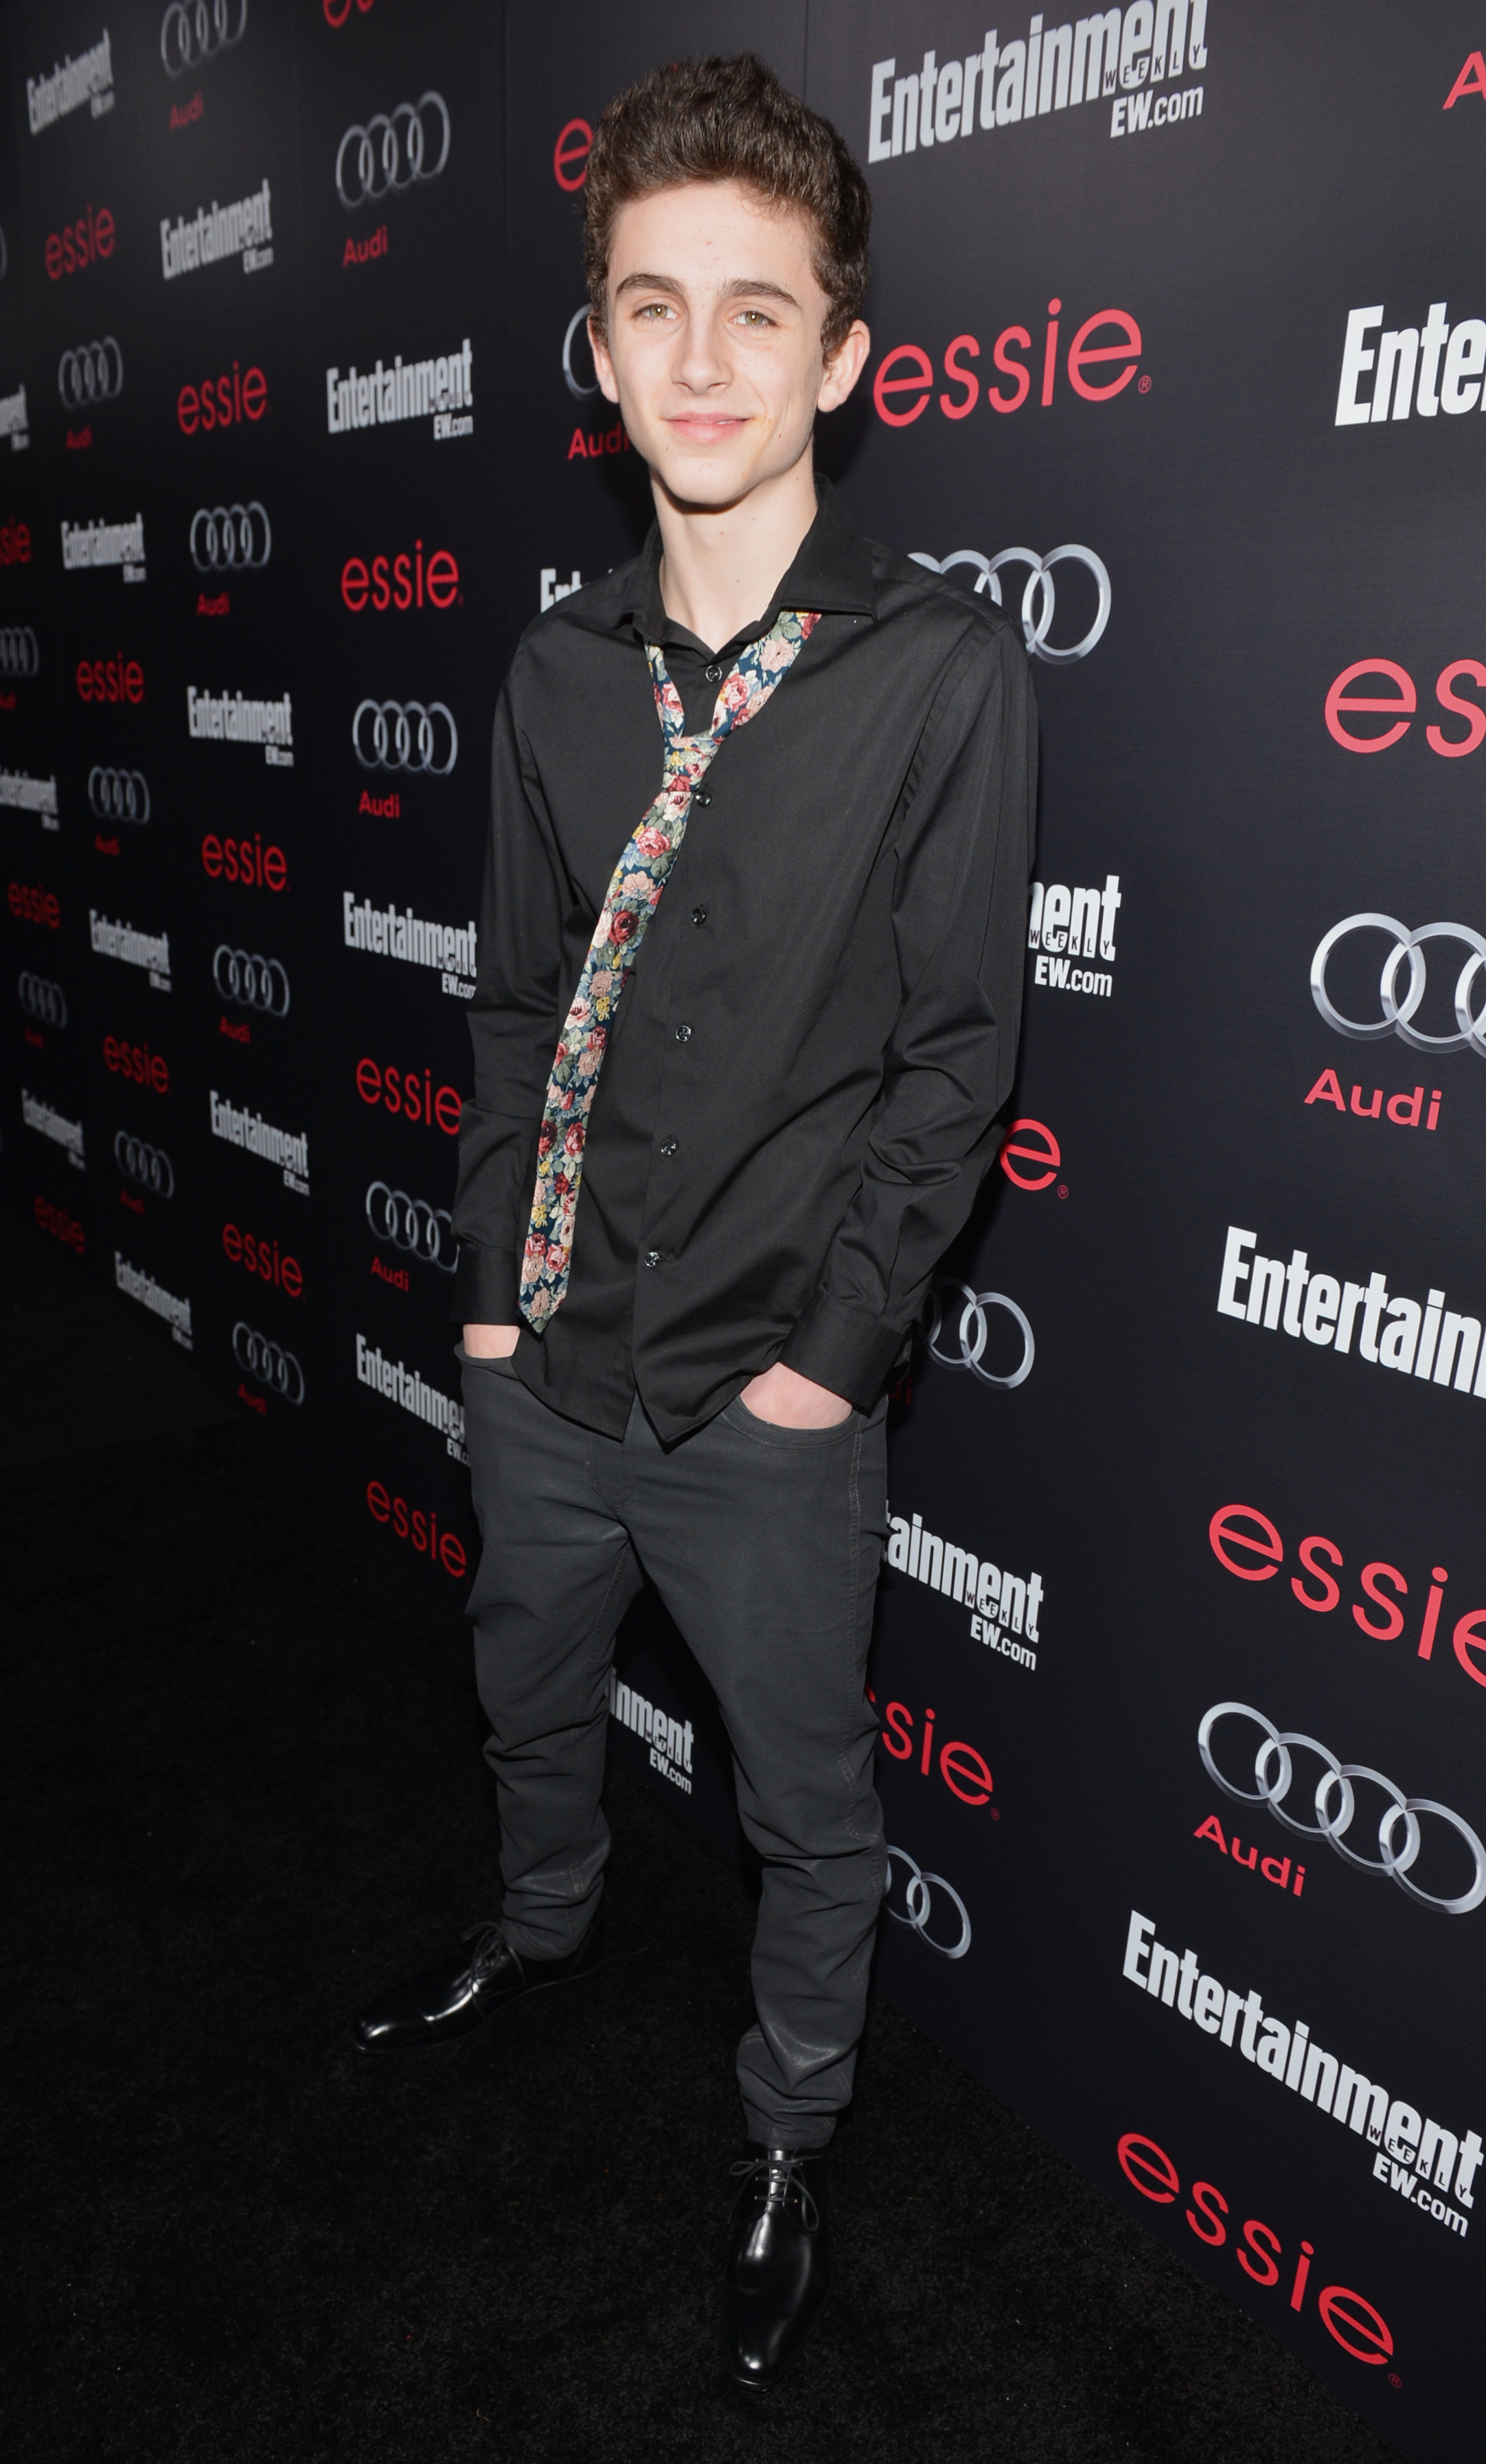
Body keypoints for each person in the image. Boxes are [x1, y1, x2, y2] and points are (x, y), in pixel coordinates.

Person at [354, 52, 1036, 2389]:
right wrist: (480, 1308)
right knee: (522, 1691)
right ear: (602, 344)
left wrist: (823, 1364)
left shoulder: (936, 668)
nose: (706, 359)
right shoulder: (554, 669)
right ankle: (536, 1932)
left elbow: (955, 1062)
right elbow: (520, 1003)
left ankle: (785, 2129)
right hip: (542, 1361)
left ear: (844, 354)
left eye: (761, 310)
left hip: (761, 1396)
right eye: (654, 306)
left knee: (805, 1804)